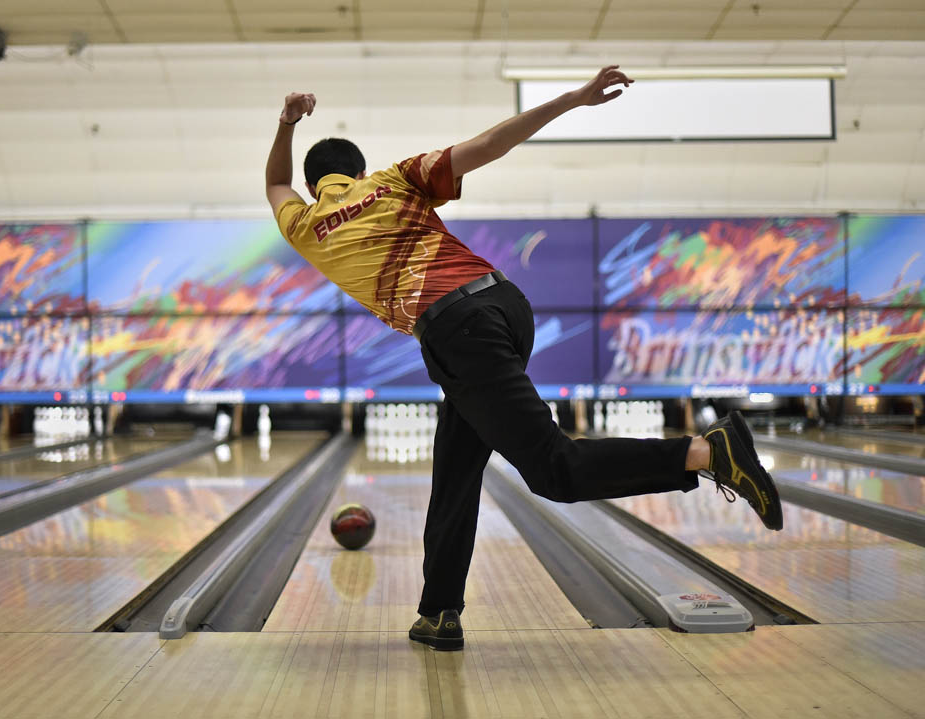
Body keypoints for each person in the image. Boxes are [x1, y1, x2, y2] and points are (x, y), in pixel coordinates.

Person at [265, 65, 784, 652]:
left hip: (456, 332)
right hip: (503, 306)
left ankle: (704, 452)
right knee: (455, 473)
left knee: (555, 470)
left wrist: (285, 123)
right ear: (357, 171)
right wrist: (571, 99)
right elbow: (489, 143)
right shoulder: (392, 179)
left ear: (314, 187)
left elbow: (274, 184)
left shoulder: (305, 224)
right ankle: (438, 613)